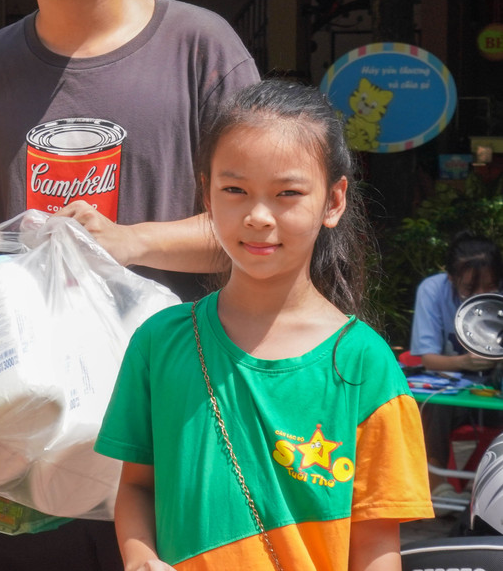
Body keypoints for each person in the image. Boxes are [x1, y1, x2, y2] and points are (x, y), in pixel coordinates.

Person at [0, 0, 261, 570]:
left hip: (181, 419)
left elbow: (263, 227)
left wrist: (132, 241)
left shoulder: (201, 49)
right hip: (33, 438)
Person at [95, 80, 433, 570]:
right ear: (206, 194)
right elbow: (136, 486)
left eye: (287, 193)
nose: (257, 216)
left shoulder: (364, 364)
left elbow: (377, 547)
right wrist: (140, 557)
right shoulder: (159, 342)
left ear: (333, 201)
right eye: (235, 190)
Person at [410, 232, 503, 470]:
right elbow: (429, 360)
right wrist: (465, 362)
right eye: (469, 288)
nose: (480, 294)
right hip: (455, 393)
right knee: (433, 405)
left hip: (495, 393)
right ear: (451, 278)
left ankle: (485, 480)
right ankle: (437, 479)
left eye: (490, 286)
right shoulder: (433, 290)